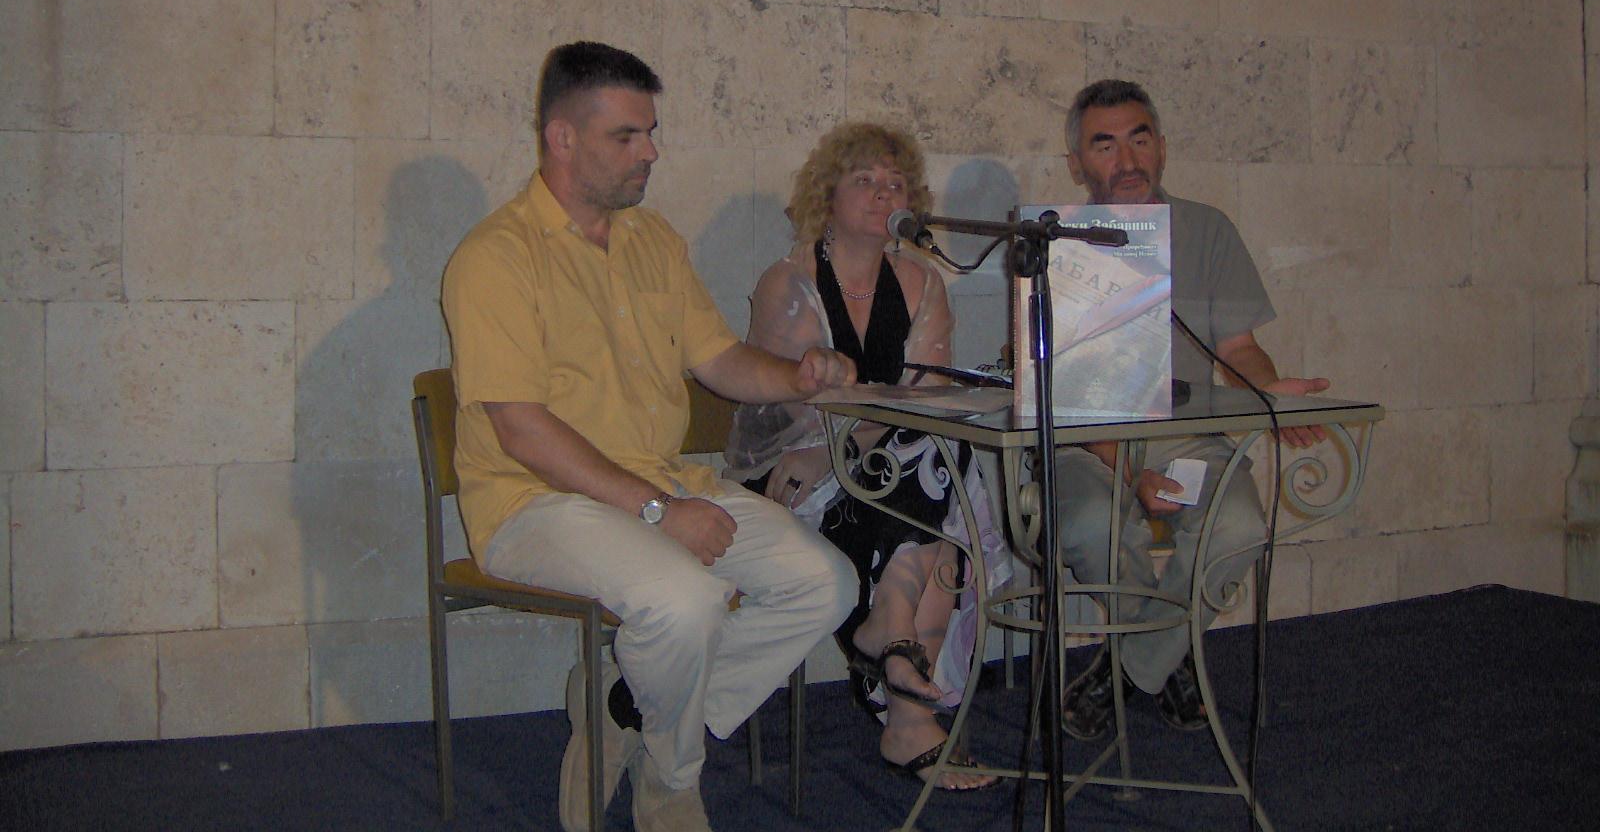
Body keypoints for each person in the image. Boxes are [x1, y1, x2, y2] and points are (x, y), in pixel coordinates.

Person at [441, 42, 858, 832]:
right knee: (685, 601)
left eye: (651, 132)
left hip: (654, 481)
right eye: (627, 136)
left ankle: (625, 707)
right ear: (562, 138)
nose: (651, 152)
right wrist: (662, 512)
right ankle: (672, 781)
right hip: (533, 503)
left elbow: (719, 359)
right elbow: (523, 431)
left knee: (826, 583)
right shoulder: (494, 257)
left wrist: (797, 376)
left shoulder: (652, 240)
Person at [728, 123, 1007, 792]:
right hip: (795, 467)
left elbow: (928, 399)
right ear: (828, 194)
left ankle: (894, 638)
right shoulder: (789, 281)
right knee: (933, 488)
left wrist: (862, 440)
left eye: (896, 183)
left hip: (889, 463)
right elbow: (791, 409)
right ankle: (909, 713)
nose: (884, 193)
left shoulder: (922, 282)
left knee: (936, 457)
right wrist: (844, 450)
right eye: (865, 180)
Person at [1055, 79, 1332, 739]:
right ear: (1077, 164)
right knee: (1092, 525)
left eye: (1139, 139)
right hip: (1088, 444)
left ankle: (1127, 669)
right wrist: (1131, 475)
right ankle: (1170, 656)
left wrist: (1269, 396)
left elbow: (1238, 349)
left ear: (1162, 147)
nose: (1127, 160)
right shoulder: (1055, 243)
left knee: (1239, 526)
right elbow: (1064, 392)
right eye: (1105, 145)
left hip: (1188, 440)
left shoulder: (1207, 229)